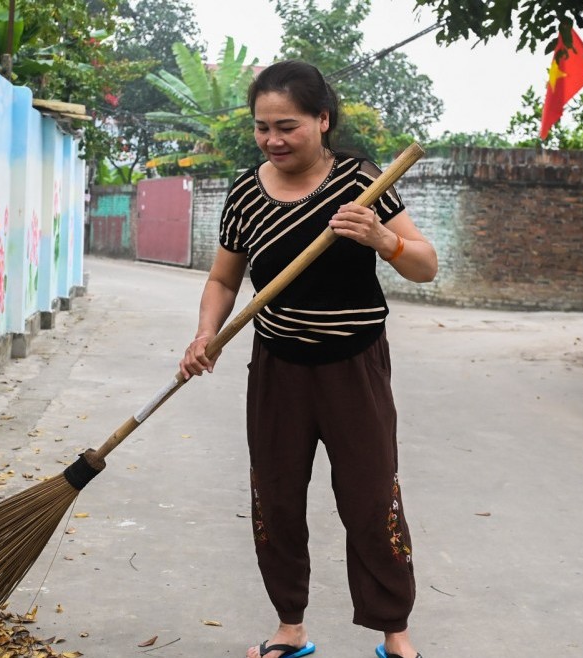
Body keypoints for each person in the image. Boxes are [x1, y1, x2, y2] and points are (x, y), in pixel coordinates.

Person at [178, 60, 438, 658]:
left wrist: (382, 239)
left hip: (356, 365)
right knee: (276, 495)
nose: (273, 139)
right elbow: (223, 279)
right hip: (278, 367)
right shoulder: (245, 193)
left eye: (287, 125)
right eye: (262, 126)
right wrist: (204, 334)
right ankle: (289, 627)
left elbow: (425, 264)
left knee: (371, 500)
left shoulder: (360, 181)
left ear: (322, 120)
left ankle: (393, 632)